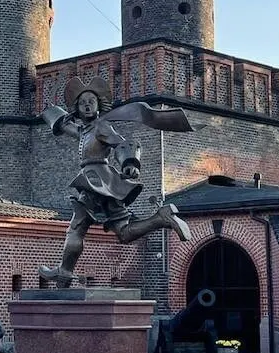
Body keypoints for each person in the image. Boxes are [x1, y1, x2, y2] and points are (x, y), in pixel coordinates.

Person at [39, 76, 194, 289]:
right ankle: (161, 218)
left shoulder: (101, 127)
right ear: (76, 108)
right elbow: (67, 127)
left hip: (95, 179)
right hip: (103, 182)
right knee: (123, 232)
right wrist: (50, 113)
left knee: (76, 228)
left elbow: (122, 143)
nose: (86, 105)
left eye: (91, 102)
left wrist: (130, 163)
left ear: (99, 107)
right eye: (82, 102)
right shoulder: (85, 130)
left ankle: (64, 272)